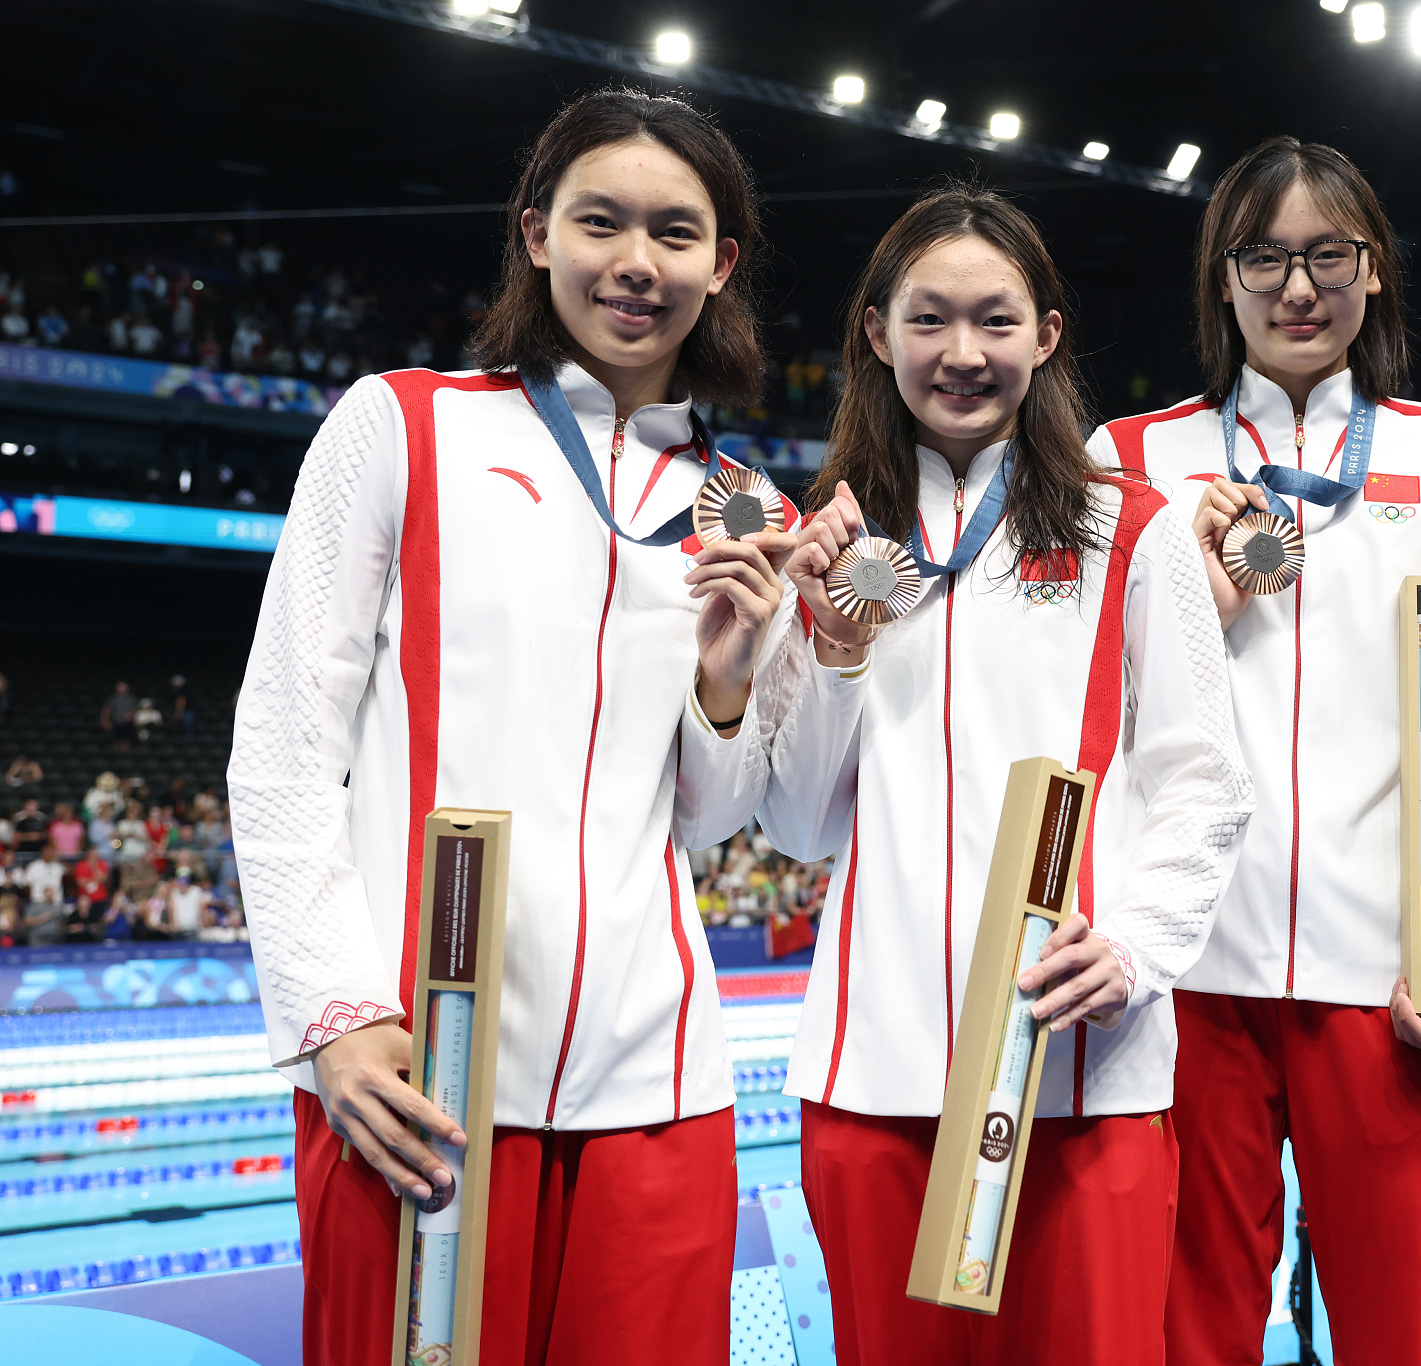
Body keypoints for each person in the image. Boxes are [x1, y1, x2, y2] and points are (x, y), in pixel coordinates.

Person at [229, 89, 791, 1366]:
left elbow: (706, 817)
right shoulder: (405, 422)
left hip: (658, 1084)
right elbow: (281, 743)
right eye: (601, 222)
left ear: (722, 263)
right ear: (536, 233)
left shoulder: (742, 501)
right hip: (421, 1065)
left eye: (674, 232)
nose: (636, 263)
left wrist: (722, 683)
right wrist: (333, 1013)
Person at [758, 184, 1254, 1366]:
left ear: (1046, 334)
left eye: (995, 320)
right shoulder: (828, 537)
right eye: (929, 320)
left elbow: (1206, 778)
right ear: (876, 333)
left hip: (1080, 1070)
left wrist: (1132, 941)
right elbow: (794, 823)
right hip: (871, 1076)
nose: (962, 353)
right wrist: (833, 648)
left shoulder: (1128, 529)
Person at [1088, 136, 1421, 1364]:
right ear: (1221, 278)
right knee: (1186, 1334)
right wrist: (1192, 594)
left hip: (1395, 977)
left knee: (1405, 1334)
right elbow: (1076, 716)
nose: (1297, 288)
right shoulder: (1123, 461)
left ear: (1374, 271)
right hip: (1180, 977)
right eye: (1264, 258)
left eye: (1326, 255)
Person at [101, 681, 138, 752]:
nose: (122, 689)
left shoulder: (132, 699)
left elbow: (136, 709)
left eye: (123, 687)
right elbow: (106, 710)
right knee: (116, 740)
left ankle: (126, 753)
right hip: (116, 722)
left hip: (128, 723)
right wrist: (105, 721)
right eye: (120, 687)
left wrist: (131, 715)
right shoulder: (113, 699)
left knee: (127, 739)